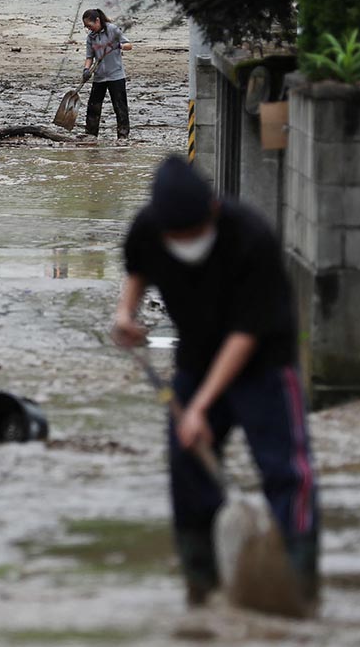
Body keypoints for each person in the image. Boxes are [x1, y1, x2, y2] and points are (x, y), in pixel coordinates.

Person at [112, 155, 320, 608]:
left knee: (286, 469)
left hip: (263, 360)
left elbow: (244, 337)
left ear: (212, 212)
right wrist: (125, 314)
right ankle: (201, 584)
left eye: (192, 233)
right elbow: (138, 271)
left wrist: (200, 408)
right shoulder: (150, 228)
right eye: (176, 237)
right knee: (186, 463)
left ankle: (298, 585)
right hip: (197, 356)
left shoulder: (249, 237)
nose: (185, 242)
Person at [81, 9, 131, 143]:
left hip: (116, 75)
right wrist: (86, 69)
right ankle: (91, 134)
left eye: (90, 26)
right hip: (99, 77)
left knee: (120, 106)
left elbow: (129, 45)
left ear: (97, 20)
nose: (89, 29)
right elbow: (89, 57)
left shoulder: (112, 30)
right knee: (93, 106)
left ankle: (123, 135)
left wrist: (118, 46)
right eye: (87, 27)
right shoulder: (91, 37)